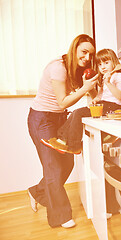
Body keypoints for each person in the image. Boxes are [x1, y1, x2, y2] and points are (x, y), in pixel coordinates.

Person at [27, 34, 98, 228]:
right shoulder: (58, 68)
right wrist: (84, 89)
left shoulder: (79, 70)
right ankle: (61, 217)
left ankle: (36, 191)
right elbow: (62, 101)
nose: (86, 57)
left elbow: (92, 95)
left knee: (67, 164)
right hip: (41, 119)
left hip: (59, 119)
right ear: (74, 49)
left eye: (90, 54)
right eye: (84, 52)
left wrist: (91, 86)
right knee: (53, 167)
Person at [41, 48, 121, 154]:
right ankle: (62, 140)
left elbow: (120, 96)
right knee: (76, 112)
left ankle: (74, 145)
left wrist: (108, 83)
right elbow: (101, 96)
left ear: (114, 62)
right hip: (105, 105)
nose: (102, 67)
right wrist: (96, 99)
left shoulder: (118, 76)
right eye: (100, 64)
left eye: (106, 63)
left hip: (114, 107)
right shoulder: (106, 77)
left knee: (79, 113)